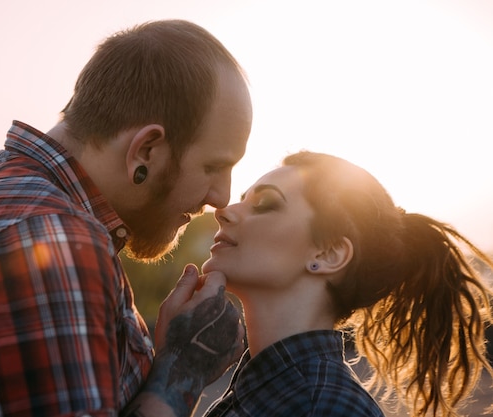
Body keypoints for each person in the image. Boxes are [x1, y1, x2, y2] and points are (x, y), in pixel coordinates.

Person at [0, 19, 252, 417]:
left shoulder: (17, 207)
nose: (221, 198)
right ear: (146, 151)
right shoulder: (45, 241)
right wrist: (182, 370)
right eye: (214, 166)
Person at [200, 151, 493, 417]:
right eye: (243, 198)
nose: (225, 211)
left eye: (264, 203)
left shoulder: (329, 407)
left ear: (328, 254)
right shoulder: (269, 387)